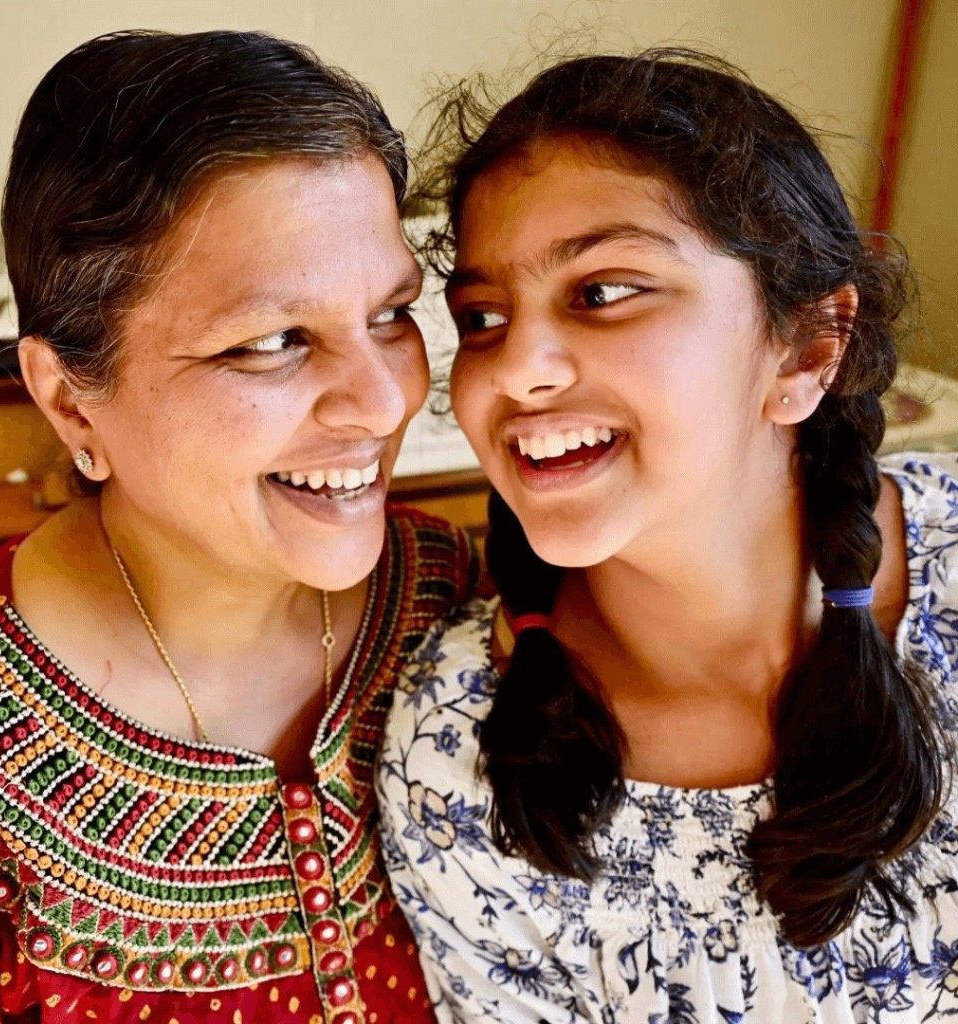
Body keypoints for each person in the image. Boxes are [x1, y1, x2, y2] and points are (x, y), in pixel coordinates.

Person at [377, 49, 958, 1022]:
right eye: (481, 316)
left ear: (809, 347)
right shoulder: (460, 746)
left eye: (602, 290)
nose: (516, 368)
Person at [0, 30, 477, 1023]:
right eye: (272, 342)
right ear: (69, 402)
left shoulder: (458, 606)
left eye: (391, 315)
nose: (378, 398)